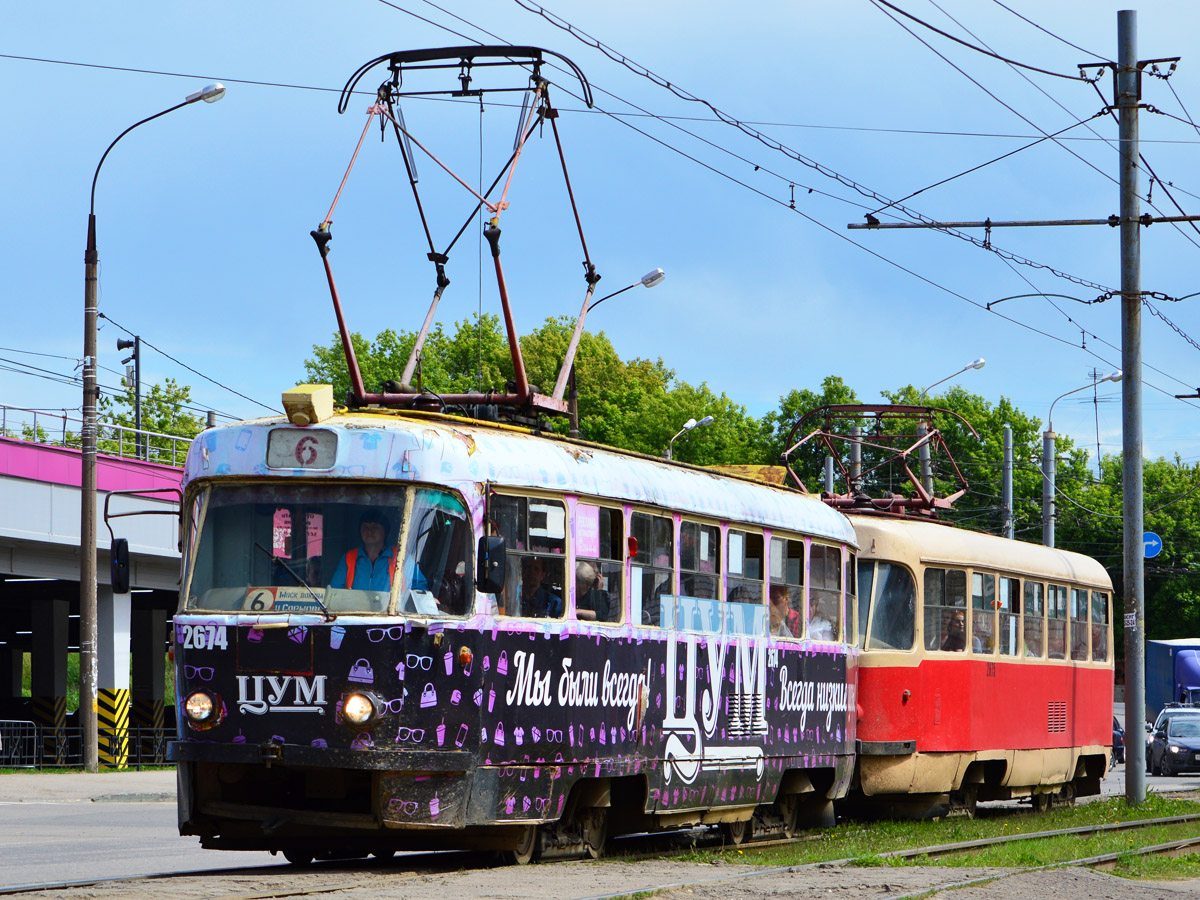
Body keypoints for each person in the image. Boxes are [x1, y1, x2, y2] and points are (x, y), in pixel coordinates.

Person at [330, 510, 396, 590]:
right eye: (365, 527)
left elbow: (414, 591)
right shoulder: (349, 558)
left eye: (375, 526)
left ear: (385, 531)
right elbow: (336, 591)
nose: (370, 531)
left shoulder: (400, 556)